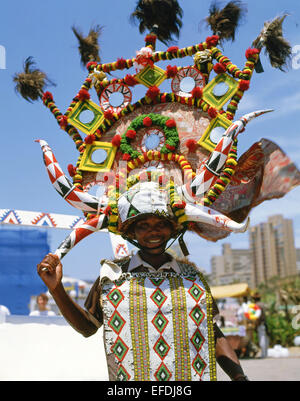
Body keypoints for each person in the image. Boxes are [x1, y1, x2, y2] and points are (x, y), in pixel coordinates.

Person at [37, 181, 249, 381]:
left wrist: (239, 377)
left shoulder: (192, 278)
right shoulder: (112, 277)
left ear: (173, 228)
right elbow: (88, 327)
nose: (153, 231)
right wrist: (57, 290)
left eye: (161, 224)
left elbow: (211, 333)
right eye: (143, 225)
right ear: (132, 232)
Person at [251, 291, 269, 359]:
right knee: (265, 339)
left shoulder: (256, 305)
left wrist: (256, 325)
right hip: (265, 323)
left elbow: (258, 316)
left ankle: (263, 355)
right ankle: (265, 354)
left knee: (262, 339)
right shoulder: (263, 304)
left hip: (260, 324)